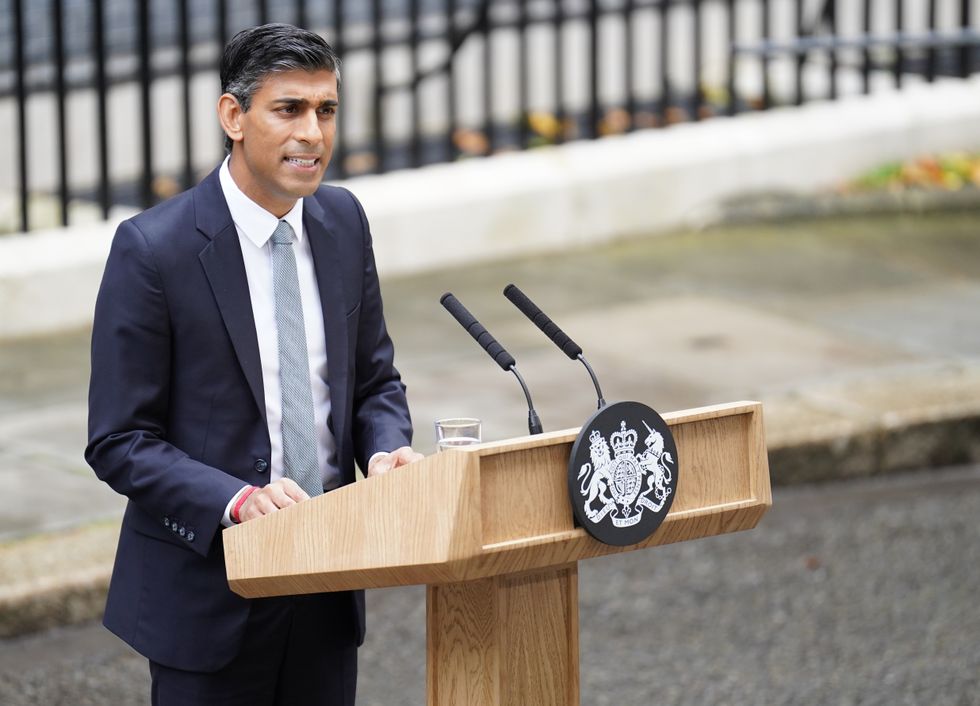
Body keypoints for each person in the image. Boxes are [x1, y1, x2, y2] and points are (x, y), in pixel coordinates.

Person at [85, 23, 422, 705]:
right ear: (233, 117)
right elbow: (119, 439)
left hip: (327, 581)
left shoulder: (343, 221)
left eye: (326, 110)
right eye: (288, 109)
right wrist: (236, 500)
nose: (313, 133)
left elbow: (373, 382)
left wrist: (387, 449)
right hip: (210, 594)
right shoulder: (153, 250)